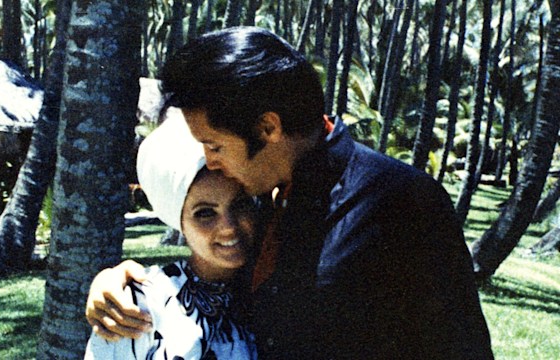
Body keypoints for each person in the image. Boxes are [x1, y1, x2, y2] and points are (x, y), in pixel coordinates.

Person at [86, 27, 494, 359]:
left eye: (214, 146)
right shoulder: (260, 199)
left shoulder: (402, 204)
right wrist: (117, 281)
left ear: (268, 129)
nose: (209, 162)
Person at [85, 111, 259, 359]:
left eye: (240, 204)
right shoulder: (140, 304)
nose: (228, 226)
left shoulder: (273, 287)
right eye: (205, 213)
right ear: (179, 222)